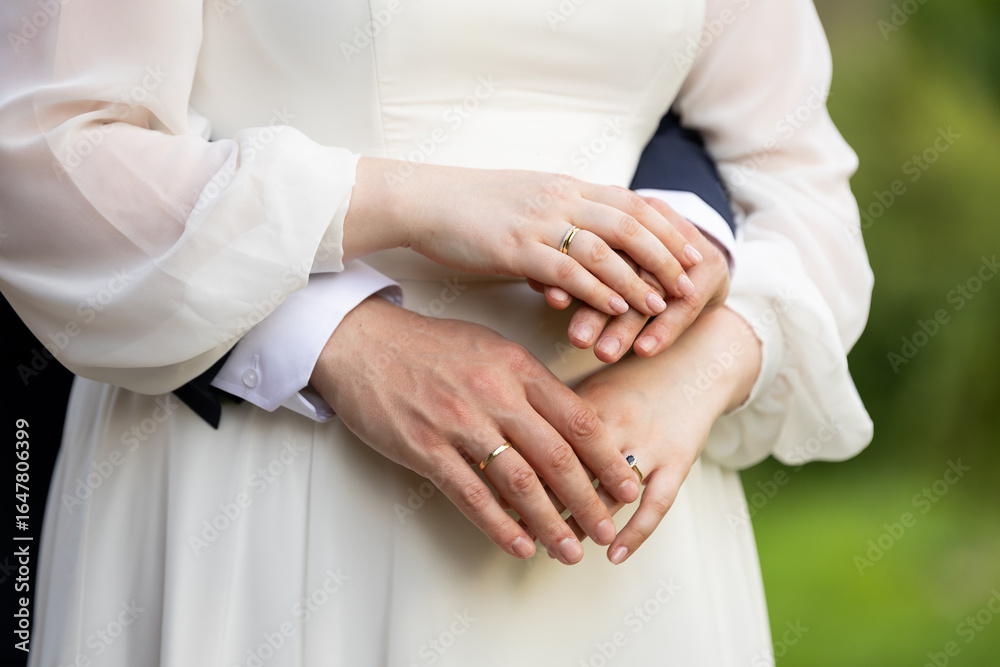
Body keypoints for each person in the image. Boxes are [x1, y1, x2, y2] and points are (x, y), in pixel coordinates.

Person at [0, 0, 874, 665]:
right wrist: (350, 317)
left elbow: (799, 178)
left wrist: (690, 376)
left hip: (628, 523)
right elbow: (43, 155)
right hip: (266, 474)